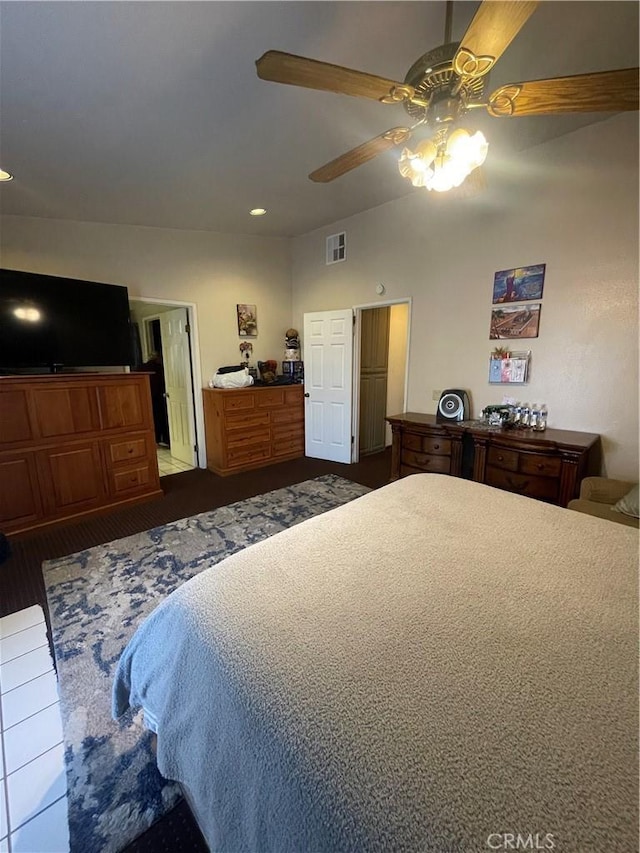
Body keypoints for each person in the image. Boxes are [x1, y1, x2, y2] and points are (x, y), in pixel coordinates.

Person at [142, 352, 169, 446]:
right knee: (161, 418)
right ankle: (165, 439)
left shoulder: (142, 367)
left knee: (153, 418)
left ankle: (156, 440)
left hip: (146, 396)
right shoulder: (159, 368)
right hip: (158, 395)